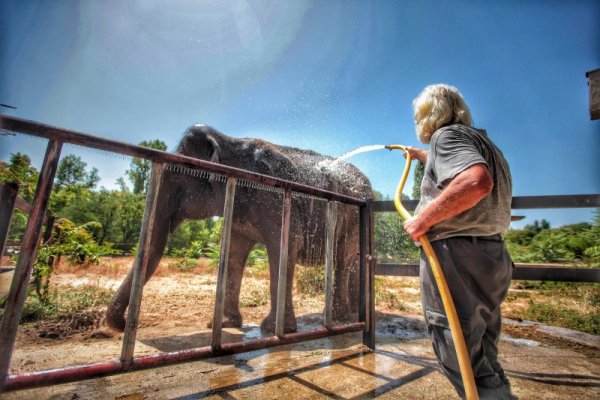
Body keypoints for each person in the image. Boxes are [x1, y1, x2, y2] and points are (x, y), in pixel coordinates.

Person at [403, 84, 515, 399]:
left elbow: (476, 181)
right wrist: (421, 156)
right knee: (482, 349)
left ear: (427, 115)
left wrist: (422, 220)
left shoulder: (445, 137)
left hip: (456, 255)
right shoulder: (485, 143)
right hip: (491, 254)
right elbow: (465, 168)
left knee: (459, 351)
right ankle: (499, 393)